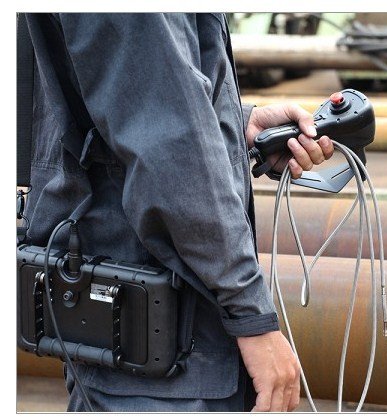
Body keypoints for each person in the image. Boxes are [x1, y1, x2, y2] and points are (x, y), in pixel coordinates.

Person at [23, 13, 334, 412]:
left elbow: (126, 100)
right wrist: (252, 316)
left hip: (127, 322)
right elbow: (170, 154)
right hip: (165, 350)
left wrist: (234, 125)